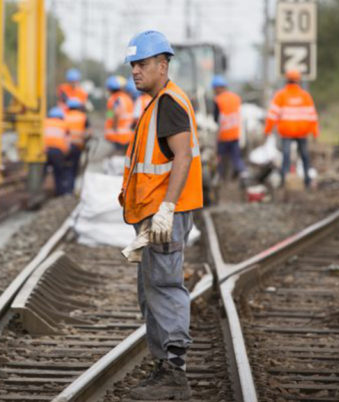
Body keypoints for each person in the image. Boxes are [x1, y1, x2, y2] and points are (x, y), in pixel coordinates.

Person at [119, 30, 203, 400]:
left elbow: (182, 157)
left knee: (165, 287)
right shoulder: (154, 104)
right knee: (151, 289)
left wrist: (166, 209)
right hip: (154, 215)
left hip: (165, 212)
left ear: (162, 65)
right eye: (133, 65)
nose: (135, 71)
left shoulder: (169, 102)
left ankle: (174, 372)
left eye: (142, 64)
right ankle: (163, 367)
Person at [264, 69, 319, 188]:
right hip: (302, 132)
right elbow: (312, 115)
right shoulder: (305, 96)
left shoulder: (281, 96)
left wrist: (267, 130)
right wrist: (314, 132)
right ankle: (307, 181)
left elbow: (272, 115)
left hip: (287, 132)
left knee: (286, 157)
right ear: (298, 81)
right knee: (305, 157)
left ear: (286, 80)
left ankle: (285, 181)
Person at [211, 75, 245, 180]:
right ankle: (240, 173)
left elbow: (216, 119)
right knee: (236, 157)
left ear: (218, 88)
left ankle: (220, 177)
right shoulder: (236, 97)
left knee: (220, 157)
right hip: (235, 133)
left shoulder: (218, 100)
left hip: (224, 135)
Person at [44, 106, 72, 196]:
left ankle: (39, 191)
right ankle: (60, 192)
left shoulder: (44, 122)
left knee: (42, 172)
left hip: (45, 151)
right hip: (58, 152)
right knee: (59, 173)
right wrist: (66, 153)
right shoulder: (64, 124)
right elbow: (67, 141)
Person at [64, 98, 90, 192]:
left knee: (65, 167)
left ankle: (64, 189)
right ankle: (70, 189)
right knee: (74, 168)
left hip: (65, 147)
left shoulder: (64, 116)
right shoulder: (83, 117)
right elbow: (88, 133)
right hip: (77, 147)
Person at [104, 75, 134, 152]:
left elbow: (115, 114)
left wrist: (114, 126)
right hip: (127, 136)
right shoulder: (127, 98)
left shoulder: (114, 99)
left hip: (117, 136)